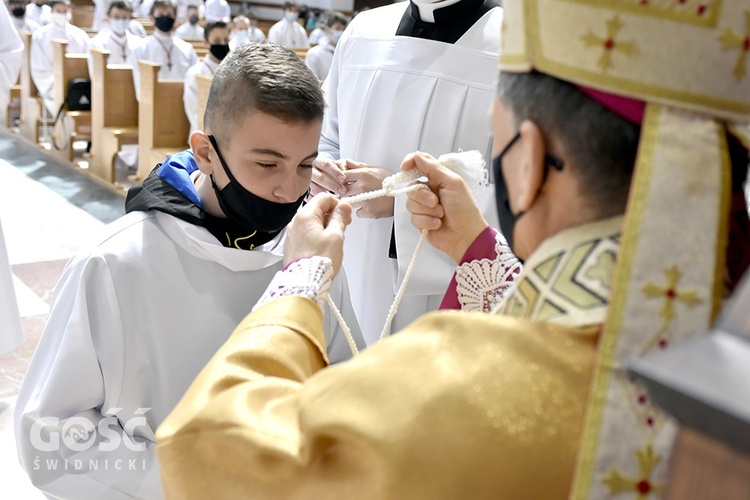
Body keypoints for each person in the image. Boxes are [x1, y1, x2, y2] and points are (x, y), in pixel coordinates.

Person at [154, 0, 750, 496]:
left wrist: (302, 277)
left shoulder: (459, 383)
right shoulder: (715, 341)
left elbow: (210, 449)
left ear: (528, 161)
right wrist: (478, 247)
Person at [15, 42, 365, 499]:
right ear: (204, 152)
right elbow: (51, 436)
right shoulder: (116, 262)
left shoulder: (313, 257)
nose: (288, 189)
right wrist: (192, 478)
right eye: (266, 163)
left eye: (305, 165)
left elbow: (342, 383)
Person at [311, 0, 502, 345]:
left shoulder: (514, 50)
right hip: (351, 262)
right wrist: (321, 167)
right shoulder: (362, 32)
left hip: (446, 299)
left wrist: (402, 199)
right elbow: (327, 135)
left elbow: (526, 200)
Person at [30, 0, 90, 116]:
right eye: (58, 11)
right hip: (51, 84)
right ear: (52, 11)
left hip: (77, 84)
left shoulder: (80, 35)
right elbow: (39, 67)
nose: (62, 14)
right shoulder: (40, 35)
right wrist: (56, 82)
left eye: (65, 11)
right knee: (60, 96)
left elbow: (87, 62)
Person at [129, 0, 197, 101]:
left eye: (169, 15)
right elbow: (141, 89)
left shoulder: (187, 49)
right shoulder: (140, 49)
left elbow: (194, 83)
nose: (165, 18)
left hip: (183, 105)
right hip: (153, 106)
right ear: (152, 18)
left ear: (175, 18)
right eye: (160, 14)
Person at [183, 21, 228, 133]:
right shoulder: (195, 73)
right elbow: (193, 111)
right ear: (206, 42)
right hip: (204, 138)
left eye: (226, 40)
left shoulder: (236, 71)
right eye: (217, 41)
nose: (222, 44)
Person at [88, 0, 143, 74]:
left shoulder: (139, 44)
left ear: (130, 18)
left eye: (124, 18)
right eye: (116, 17)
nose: (120, 21)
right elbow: (96, 75)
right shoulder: (97, 43)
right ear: (107, 17)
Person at [304, 12, 346, 81]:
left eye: (343, 29)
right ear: (327, 29)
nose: (341, 32)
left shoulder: (347, 52)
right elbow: (311, 82)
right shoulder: (314, 54)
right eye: (338, 29)